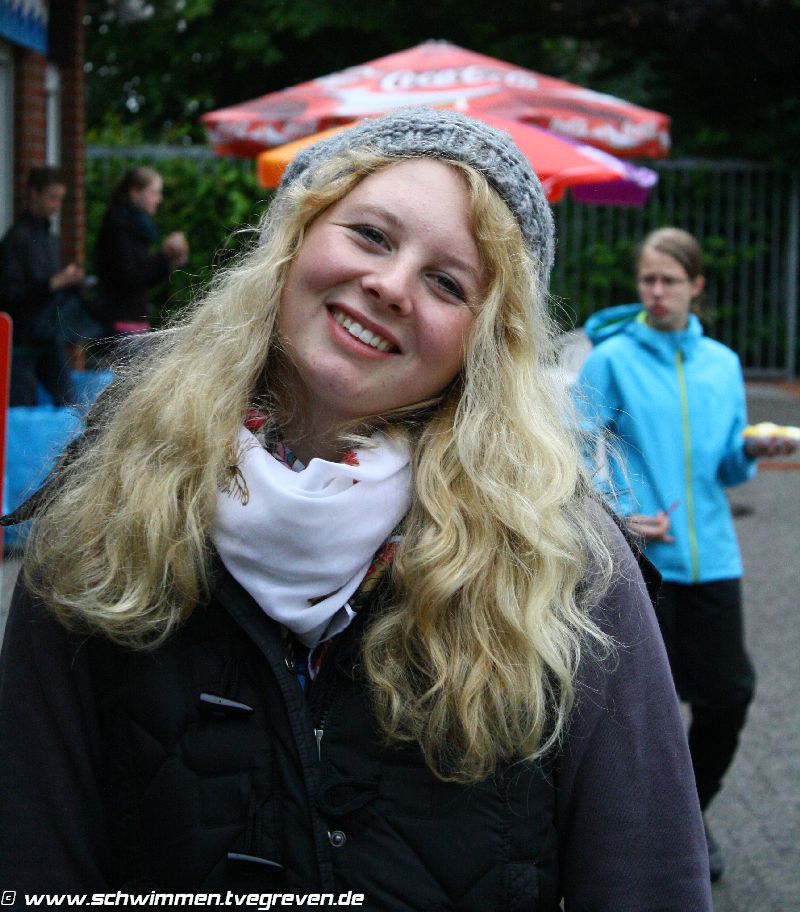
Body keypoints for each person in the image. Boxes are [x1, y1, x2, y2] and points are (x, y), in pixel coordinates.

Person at [0, 110, 712, 908]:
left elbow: (650, 880)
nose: (391, 286)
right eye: (371, 235)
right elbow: (31, 857)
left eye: (447, 283)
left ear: (485, 342)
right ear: (294, 238)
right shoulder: (107, 503)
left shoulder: (561, 556)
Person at [573, 226, 796, 884]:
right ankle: (644, 838)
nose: (657, 291)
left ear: (696, 286)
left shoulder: (722, 364)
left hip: (715, 557)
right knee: (648, 711)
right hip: (645, 564)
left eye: (669, 281)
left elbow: (726, 466)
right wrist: (614, 514)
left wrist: (751, 449)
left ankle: (686, 816)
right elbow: (572, 450)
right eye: (648, 279)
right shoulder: (612, 359)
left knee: (731, 694)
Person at [0, 165, 85, 405]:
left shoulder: (49, 237)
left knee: (68, 401)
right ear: (34, 194)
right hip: (22, 339)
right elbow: (9, 293)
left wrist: (70, 283)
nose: (56, 205)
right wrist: (55, 282)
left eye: (60, 199)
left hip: (47, 333)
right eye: (52, 197)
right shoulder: (16, 239)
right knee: (22, 405)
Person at [95, 165, 189, 339]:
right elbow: (131, 277)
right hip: (122, 321)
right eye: (154, 192)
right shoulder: (119, 226)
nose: (159, 199)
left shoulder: (135, 225)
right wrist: (164, 255)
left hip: (132, 320)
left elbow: (143, 276)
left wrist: (168, 258)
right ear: (135, 193)